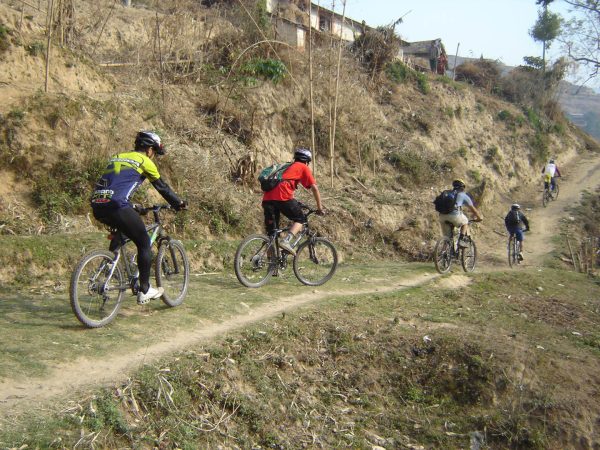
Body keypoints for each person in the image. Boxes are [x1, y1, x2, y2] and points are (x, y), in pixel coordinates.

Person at [90, 131, 187, 305]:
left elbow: (115, 185)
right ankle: (144, 289)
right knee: (143, 242)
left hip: (98, 204)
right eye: (155, 152)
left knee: (121, 234)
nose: (154, 156)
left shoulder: (117, 157)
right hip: (118, 205)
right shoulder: (145, 162)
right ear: (150, 149)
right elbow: (162, 188)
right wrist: (178, 203)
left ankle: (107, 271)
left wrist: (133, 206)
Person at [262, 147, 324, 255]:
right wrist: (320, 208)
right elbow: (314, 188)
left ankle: (270, 266)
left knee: (272, 234)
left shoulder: (287, 167)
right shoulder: (302, 167)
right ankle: (286, 241)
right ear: (307, 161)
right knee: (301, 219)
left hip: (267, 199)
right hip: (282, 196)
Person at [437, 179, 483, 247]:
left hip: (442, 216)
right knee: (465, 222)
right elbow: (474, 210)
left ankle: (444, 254)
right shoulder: (463, 195)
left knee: (448, 238)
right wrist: (479, 218)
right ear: (463, 187)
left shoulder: (447, 193)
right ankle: (461, 240)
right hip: (454, 216)